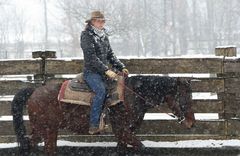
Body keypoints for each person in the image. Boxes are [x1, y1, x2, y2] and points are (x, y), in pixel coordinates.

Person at [80, 11, 129, 134]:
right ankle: (94, 124)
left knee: (118, 91)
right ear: (92, 22)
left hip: (103, 72)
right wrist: (106, 70)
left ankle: (110, 120)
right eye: (98, 21)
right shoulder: (87, 35)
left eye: (103, 21)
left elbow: (110, 54)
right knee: (101, 91)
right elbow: (91, 57)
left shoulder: (103, 36)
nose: (101, 23)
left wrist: (121, 66)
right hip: (91, 72)